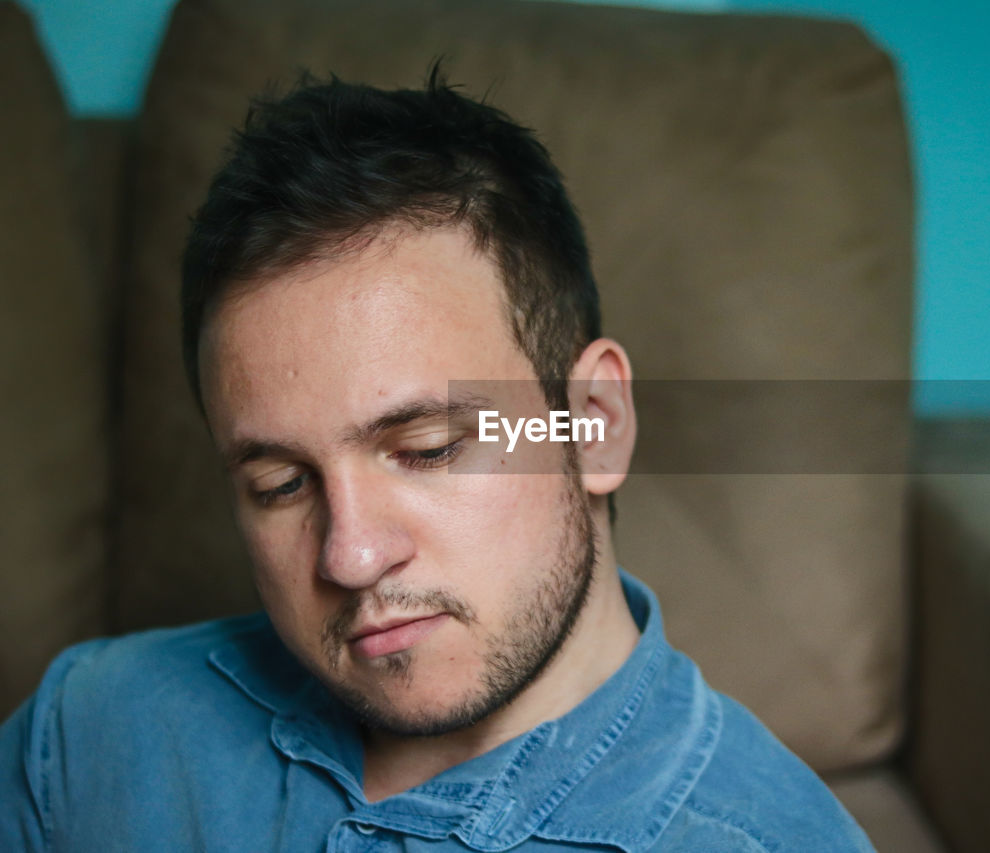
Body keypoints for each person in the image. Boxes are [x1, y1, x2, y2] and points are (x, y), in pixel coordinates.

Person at [0, 70, 873, 851]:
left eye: (426, 448)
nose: (349, 555)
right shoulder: (88, 735)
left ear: (594, 421)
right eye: (281, 484)